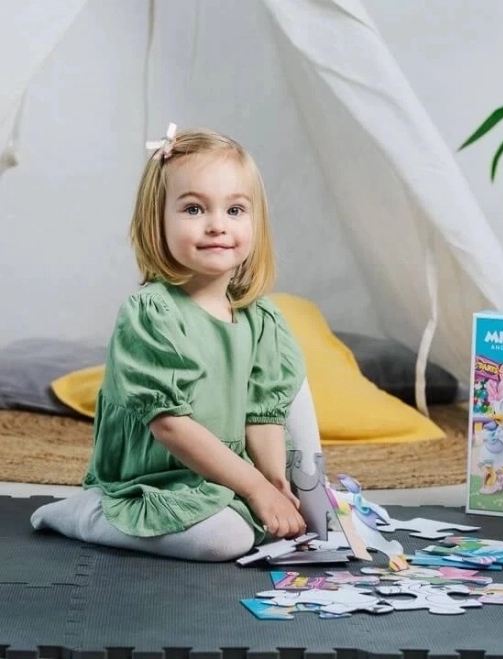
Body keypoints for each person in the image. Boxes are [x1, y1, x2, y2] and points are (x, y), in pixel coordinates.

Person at [31, 123, 324, 561]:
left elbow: (264, 411)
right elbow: (169, 424)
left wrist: (275, 482)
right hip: (155, 477)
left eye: (235, 210)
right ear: (158, 220)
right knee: (223, 540)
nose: (216, 226)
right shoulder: (152, 312)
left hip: (225, 475)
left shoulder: (260, 319)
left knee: (290, 381)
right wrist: (255, 487)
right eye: (193, 209)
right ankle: (86, 514)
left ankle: (311, 495)